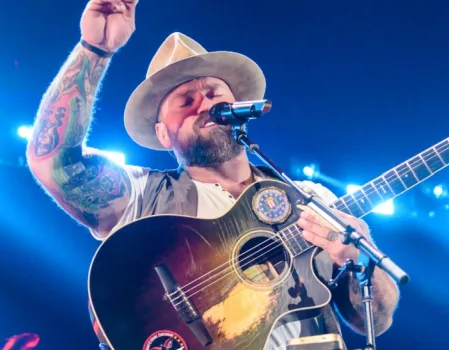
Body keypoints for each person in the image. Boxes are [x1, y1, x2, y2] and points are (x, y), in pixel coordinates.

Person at [26, 1, 400, 349]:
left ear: (237, 107)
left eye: (213, 93)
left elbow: (376, 321)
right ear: (161, 133)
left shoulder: (310, 198)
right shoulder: (144, 196)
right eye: (186, 101)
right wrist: (95, 50)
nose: (204, 103)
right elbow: (55, 165)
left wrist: (358, 258)